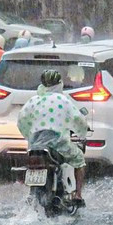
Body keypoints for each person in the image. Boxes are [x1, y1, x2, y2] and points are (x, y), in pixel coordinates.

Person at [17, 69, 90, 205]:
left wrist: (30, 136)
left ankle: (32, 195)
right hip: (57, 145)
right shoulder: (63, 100)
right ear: (59, 83)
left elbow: (21, 121)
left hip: (35, 147)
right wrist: (82, 131)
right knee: (79, 159)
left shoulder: (33, 100)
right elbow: (78, 119)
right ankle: (78, 194)